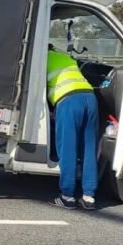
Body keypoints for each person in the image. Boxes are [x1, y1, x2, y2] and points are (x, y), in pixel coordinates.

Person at [47, 47, 99, 211]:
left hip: (68, 100)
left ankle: (67, 196)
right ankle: (89, 197)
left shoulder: (42, 58)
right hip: (90, 98)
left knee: (68, 149)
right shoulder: (65, 57)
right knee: (89, 148)